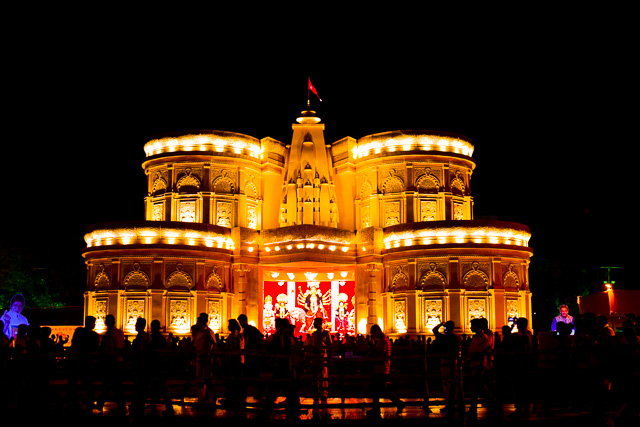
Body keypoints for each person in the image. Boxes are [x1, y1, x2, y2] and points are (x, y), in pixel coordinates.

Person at [368, 324, 405, 418]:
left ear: (377, 332)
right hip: (382, 367)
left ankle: (379, 408)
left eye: (373, 334)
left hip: (381, 368)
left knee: (378, 389)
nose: (373, 336)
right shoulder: (384, 340)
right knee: (380, 389)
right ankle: (396, 403)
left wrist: (371, 347)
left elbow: (379, 353)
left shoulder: (383, 341)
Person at [96, 314, 126, 413]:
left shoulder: (110, 333)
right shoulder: (119, 332)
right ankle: (119, 404)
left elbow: (109, 348)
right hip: (119, 361)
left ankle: (101, 403)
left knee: (110, 384)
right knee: (114, 384)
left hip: (112, 361)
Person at [431, 320, 461, 413]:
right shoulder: (456, 338)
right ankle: (456, 403)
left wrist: (441, 324)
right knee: (454, 384)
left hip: (445, 361)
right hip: (454, 362)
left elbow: (434, 330)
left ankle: (449, 403)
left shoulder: (443, 338)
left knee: (446, 384)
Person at [192, 312, 217, 406]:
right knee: (199, 378)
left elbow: (214, 344)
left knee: (207, 378)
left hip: (206, 357)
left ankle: (211, 397)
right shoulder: (199, 332)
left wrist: (211, 356)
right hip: (199, 357)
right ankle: (202, 398)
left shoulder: (208, 331)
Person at [305, 317, 332, 403]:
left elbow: (330, 345)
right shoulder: (314, 334)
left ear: (320, 324)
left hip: (322, 356)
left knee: (323, 375)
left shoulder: (326, 333)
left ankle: (324, 393)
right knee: (315, 376)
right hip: (315, 356)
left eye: (315, 323)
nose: (314, 325)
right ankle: (316, 392)